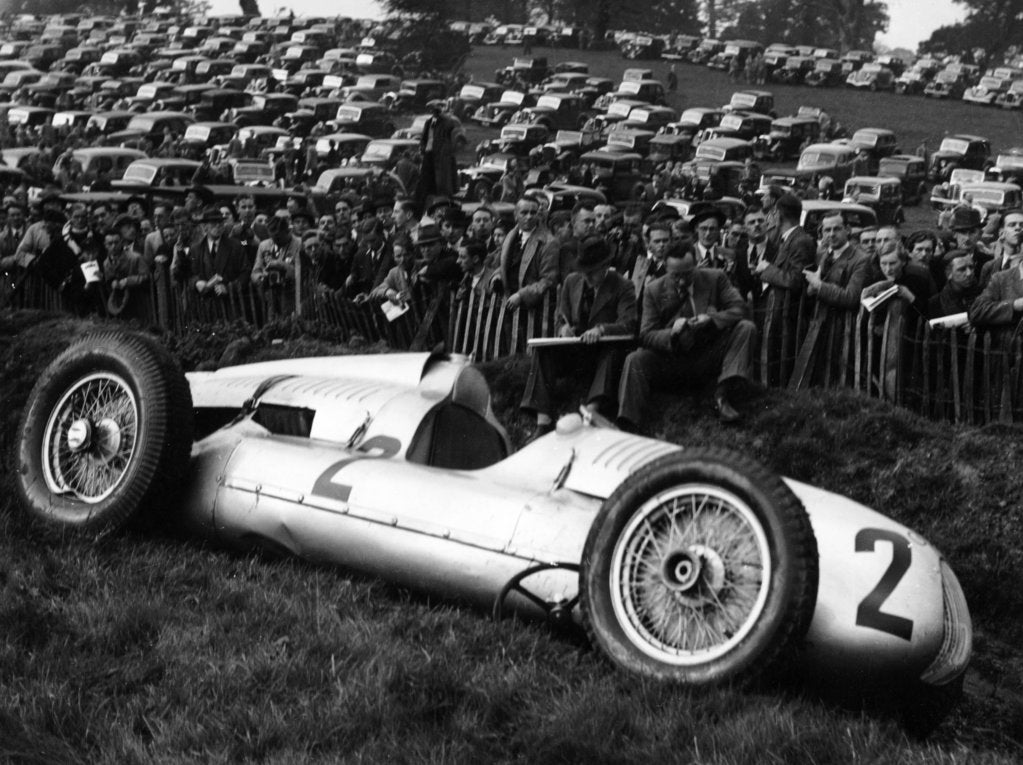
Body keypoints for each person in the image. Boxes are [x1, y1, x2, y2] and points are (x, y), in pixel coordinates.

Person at [617, 243, 757, 430]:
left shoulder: (715, 278)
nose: (682, 281)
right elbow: (646, 334)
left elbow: (740, 308)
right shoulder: (653, 290)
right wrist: (672, 332)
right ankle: (628, 421)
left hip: (708, 358)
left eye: (687, 274)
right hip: (673, 361)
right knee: (635, 359)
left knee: (746, 327)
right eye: (676, 276)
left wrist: (712, 319)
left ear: (696, 264)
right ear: (666, 268)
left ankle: (722, 396)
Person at [521, 236, 638, 439]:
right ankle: (543, 419)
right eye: (584, 272)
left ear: (606, 267)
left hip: (603, 353)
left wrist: (601, 330)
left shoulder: (622, 286)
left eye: (592, 273)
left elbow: (629, 324)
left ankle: (592, 409)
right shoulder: (572, 281)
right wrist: (563, 328)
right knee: (544, 352)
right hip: (576, 349)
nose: (587, 278)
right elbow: (560, 316)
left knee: (611, 354)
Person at [495, 195, 555, 311]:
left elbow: (548, 280)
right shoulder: (510, 236)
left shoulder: (548, 242)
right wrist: (497, 275)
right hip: (507, 306)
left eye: (533, 213)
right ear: (515, 215)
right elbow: (505, 264)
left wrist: (521, 295)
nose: (529, 217)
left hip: (534, 310)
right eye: (524, 213)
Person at [418, 100, 459, 204]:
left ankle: (444, 197)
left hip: (440, 154)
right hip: (428, 153)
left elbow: (451, 130)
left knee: (442, 179)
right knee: (426, 177)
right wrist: (423, 147)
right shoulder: (428, 122)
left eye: (436, 112)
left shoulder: (446, 123)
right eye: (433, 112)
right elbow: (424, 137)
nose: (434, 114)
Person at [929, 250, 979, 319]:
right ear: (948, 273)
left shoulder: (984, 295)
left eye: (971, 267)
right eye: (962, 269)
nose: (969, 273)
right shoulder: (935, 304)